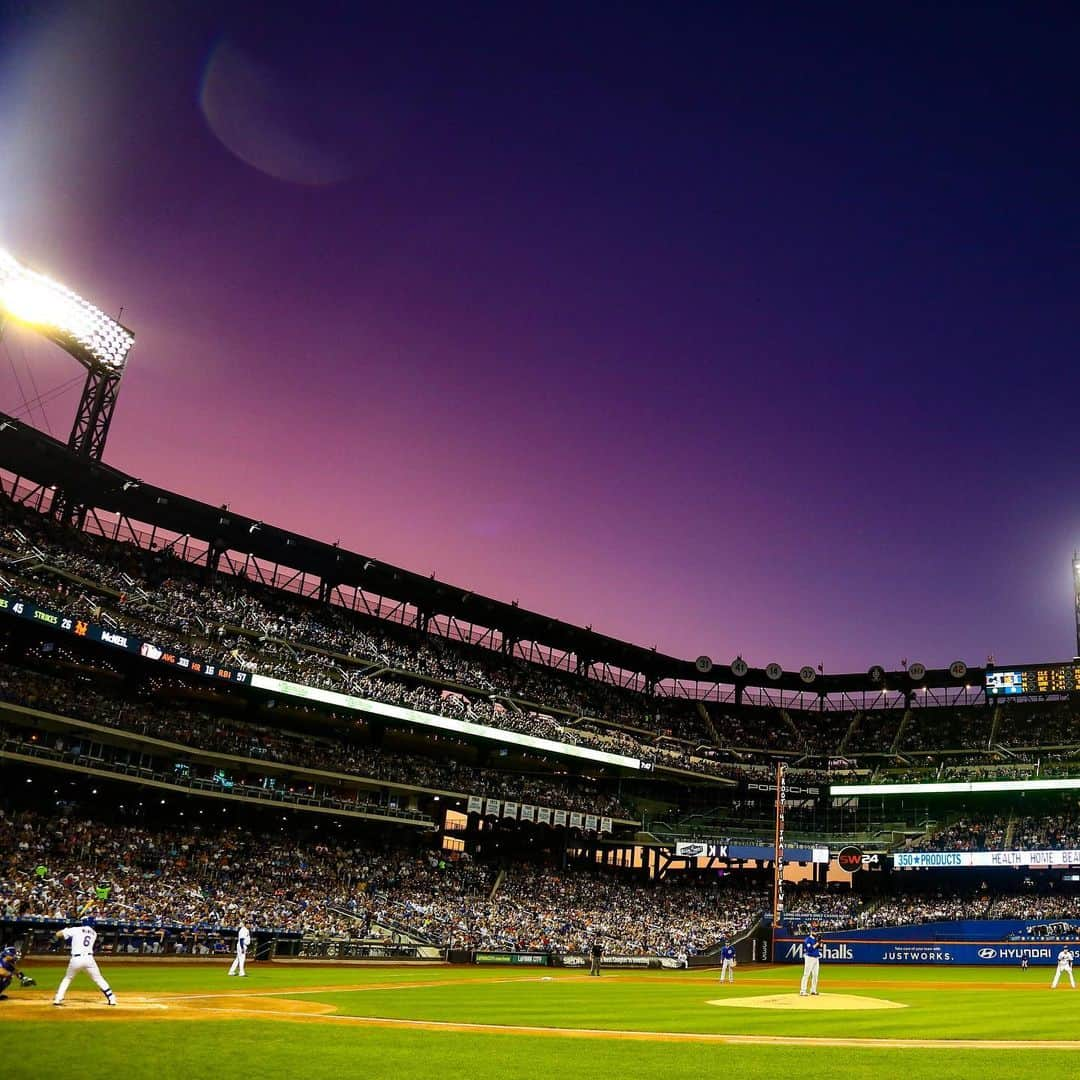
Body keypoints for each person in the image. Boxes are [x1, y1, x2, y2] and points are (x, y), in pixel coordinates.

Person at [52, 917, 116, 1006]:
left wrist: (66, 930)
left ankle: (58, 998)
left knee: (68, 978)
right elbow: (77, 938)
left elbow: (58, 934)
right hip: (89, 959)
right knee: (98, 978)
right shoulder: (94, 933)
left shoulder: (75, 929)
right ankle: (111, 998)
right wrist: (69, 931)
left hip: (76, 959)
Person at [799, 929, 821, 996]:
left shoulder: (815, 939)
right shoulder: (807, 939)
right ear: (811, 932)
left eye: (816, 931)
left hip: (816, 958)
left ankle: (813, 990)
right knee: (806, 974)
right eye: (814, 931)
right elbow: (810, 949)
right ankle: (802, 991)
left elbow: (819, 947)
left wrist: (820, 942)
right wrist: (817, 943)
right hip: (809, 958)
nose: (815, 932)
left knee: (815, 975)